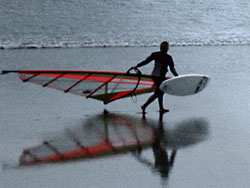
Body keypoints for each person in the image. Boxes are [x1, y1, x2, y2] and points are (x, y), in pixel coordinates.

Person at [133, 41, 178, 114]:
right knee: (158, 92)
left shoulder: (156, 54)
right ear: (167, 48)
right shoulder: (168, 57)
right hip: (158, 77)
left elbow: (146, 61)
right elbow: (172, 69)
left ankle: (160, 108)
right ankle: (145, 106)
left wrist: (137, 66)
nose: (166, 49)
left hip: (156, 76)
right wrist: (177, 77)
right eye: (166, 47)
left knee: (160, 92)